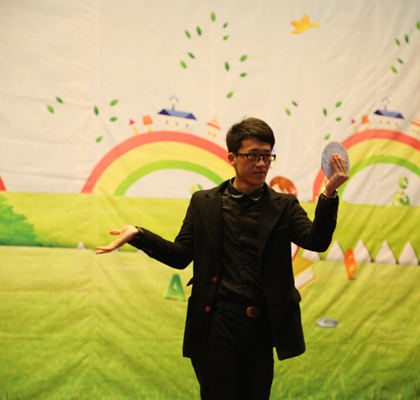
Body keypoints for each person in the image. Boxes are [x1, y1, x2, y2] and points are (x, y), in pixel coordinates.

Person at [96, 117, 349, 400]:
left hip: (261, 327)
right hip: (215, 324)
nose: (262, 163)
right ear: (232, 158)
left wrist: (329, 194)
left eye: (267, 156)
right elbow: (181, 256)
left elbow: (316, 241)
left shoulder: (284, 205)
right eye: (253, 155)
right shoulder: (204, 203)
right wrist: (139, 235)